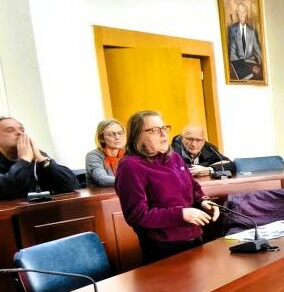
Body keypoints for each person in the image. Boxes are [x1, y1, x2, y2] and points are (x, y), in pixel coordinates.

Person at [115, 110, 221, 264]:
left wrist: (203, 202)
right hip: (163, 247)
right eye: (154, 130)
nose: (163, 134)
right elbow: (137, 215)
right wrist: (181, 215)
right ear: (138, 136)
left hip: (195, 237)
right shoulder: (129, 166)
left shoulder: (174, 157)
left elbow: (193, 188)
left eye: (164, 128)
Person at [0, 116, 78, 199]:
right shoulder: (26, 157)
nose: (20, 133)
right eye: (10, 130)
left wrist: (43, 160)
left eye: (22, 129)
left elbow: (71, 186)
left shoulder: (36, 155)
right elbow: (6, 191)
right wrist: (24, 161)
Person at [171, 125, 237, 177]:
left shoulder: (209, 148)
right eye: (189, 139)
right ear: (182, 138)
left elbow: (231, 165)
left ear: (203, 140)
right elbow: (176, 168)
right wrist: (205, 166)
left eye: (198, 140)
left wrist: (210, 169)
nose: (194, 144)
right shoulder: (171, 150)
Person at [85, 118, 126, 187]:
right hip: (102, 193)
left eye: (120, 133)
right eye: (111, 134)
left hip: (123, 191)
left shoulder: (128, 154)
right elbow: (102, 179)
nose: (117, 137)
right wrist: (130, 181)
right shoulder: (93, 155)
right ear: (102, 138)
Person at [228, 3, 263, 81]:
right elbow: (232, 53)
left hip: (251, 63)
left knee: (258, 74)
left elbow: (258, 51)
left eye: (243, 12)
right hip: (239, 64)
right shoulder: (233, 30)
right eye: (240, 12)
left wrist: (261, 66)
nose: (242, 14)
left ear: (246, 13)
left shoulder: (252, 31)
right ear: (237, 13)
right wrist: (240, 66)